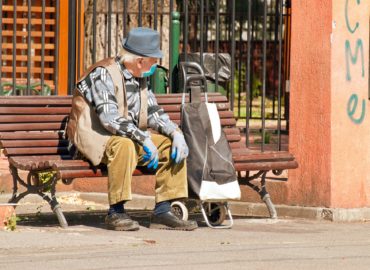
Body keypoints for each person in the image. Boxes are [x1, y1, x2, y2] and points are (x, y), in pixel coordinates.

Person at [67, 27, 197, 231]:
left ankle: (163, 211)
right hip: (95, 138)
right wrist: (143, 139)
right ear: (140, 61)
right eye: (154, 60)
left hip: (127, 136)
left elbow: (154, 112)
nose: (156, 65)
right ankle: (116, 212)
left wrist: (176, 133)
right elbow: (110, 119)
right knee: (125, 145)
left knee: (169, 145)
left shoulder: (140, 77)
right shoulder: (103, 74)